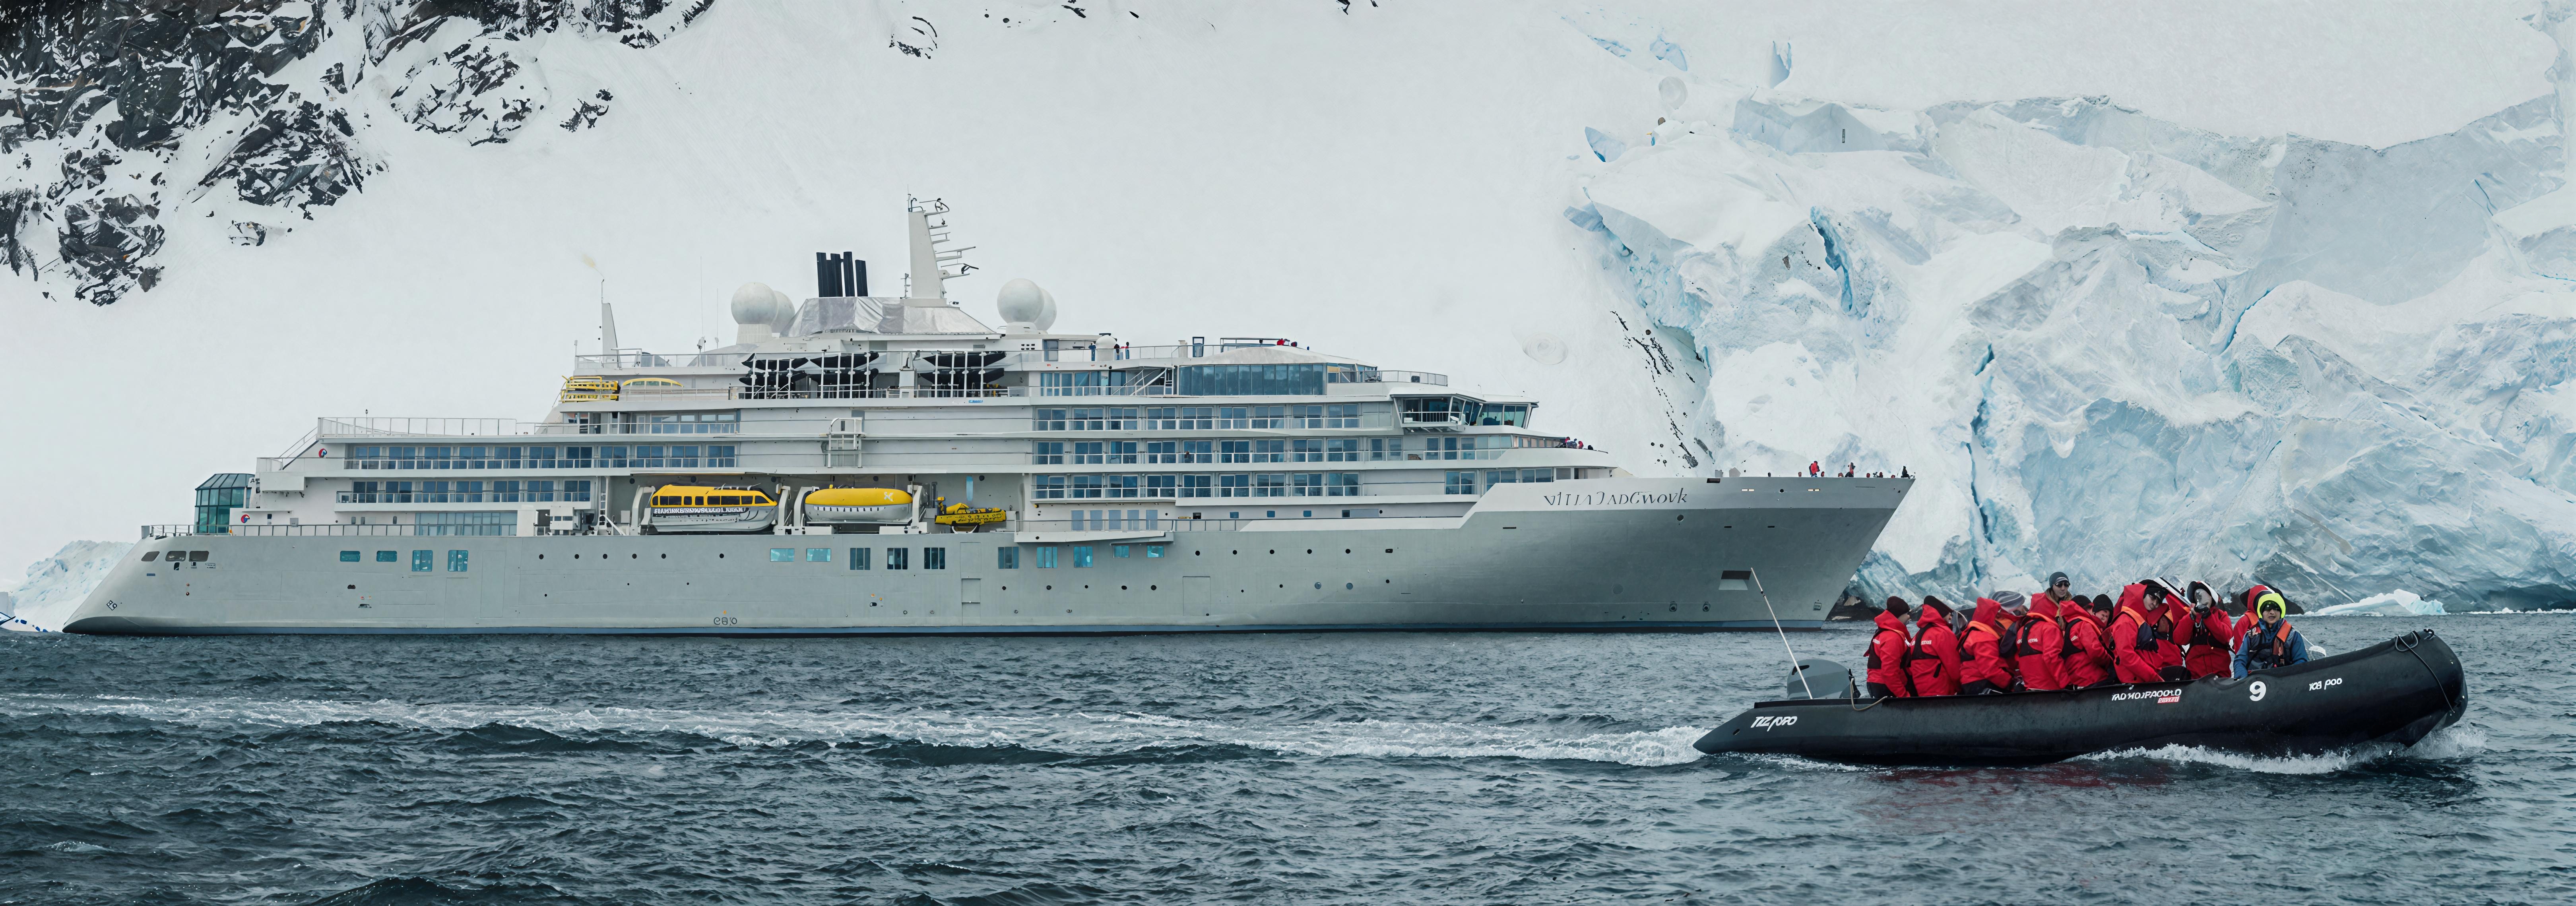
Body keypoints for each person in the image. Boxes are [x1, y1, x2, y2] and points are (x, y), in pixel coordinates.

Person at [2232, 591, 2309, 677]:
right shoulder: (2251, 636)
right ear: (2262, 613)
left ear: (2281, 612)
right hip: (2255, 681)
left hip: (2284, 680)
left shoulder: (2293, 636)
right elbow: (2240, 660)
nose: (2272, 612)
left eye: (2276, 609)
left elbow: (2301, 662)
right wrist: (2243, 678)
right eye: (2267, 608)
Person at [2109, 583, 2168, 684]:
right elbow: (2127, 655)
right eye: (2153, 597)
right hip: (2135, 682)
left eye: (2158, 602)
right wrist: (2153, 677)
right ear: (2143, 595)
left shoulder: (2138, 619)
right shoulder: (2126, 621)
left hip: (2142, 680)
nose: (2155, 603)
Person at [2012, 584, 2066, 691]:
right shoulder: (2049, 628)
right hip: (2051, 689)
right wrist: (2066, 684)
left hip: (2031, 688)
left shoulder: (2022, 630)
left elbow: (2019, 659)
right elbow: (2052, 658)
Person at [2182, 581, 2240, 679]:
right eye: (2197, 597)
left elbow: (2226, 637)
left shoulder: (2221, 615)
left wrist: (2209, 617)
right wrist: (2190, 618)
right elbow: (2180, 640)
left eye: (2203, 595)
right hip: (2196, 678)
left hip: (2220, 677)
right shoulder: (2192, 617)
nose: (2200, 599)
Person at [1906, 596, 1963, 696]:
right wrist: (1962, 690)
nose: (1951, 618)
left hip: (1922, 693)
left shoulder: (1918, 636)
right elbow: (1954, 669)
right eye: (1950, 615)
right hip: (1943, 694)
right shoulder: (1942, 634)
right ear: (1942, 614)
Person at [1959, 596, 2015, 694]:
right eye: (1998, 616)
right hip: (1982, 683)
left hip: (1972, 683)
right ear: (1991, 616)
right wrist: (2011, 683)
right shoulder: (1984, 638)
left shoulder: (1973, 633)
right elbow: (1990, 669)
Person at [2060, 590, 2114, 688]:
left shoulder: (2069, 628)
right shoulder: (2084, 625)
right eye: (2091, 608)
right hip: (2092, 678)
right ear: (2087, 608)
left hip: (2077, 680)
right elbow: (2096, 652)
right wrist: (2110, 663)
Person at [2140, 579, 2192, 681]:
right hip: (2165, 676)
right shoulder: (2153, 639)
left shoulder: (2165, 635)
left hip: (2169, 674)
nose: (2167, 625)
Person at [1864, 598, 1915, 699]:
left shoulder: (1882, 631)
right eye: (1907, 614)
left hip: (1875, 683)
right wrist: (1904, 696)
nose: (1909, 617)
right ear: (1899, 616)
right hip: (1886, 687)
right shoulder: (1893, 638)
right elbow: (1889, 673)